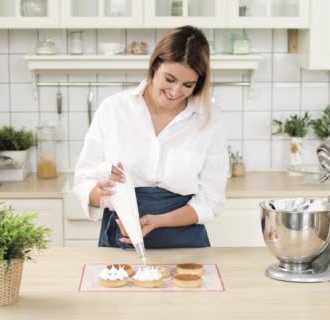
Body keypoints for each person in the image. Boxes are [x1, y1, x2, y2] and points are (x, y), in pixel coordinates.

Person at [73, 25, 228, 249]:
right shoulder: (114, 109)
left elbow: (212, 200)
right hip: (121, 243)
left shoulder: (209, 120)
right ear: (154, 66)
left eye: (188, 85)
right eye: (169, 78)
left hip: (185, 244)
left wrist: (157, 221)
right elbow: (84, 182)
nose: (175, 92)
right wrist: (101, 192)